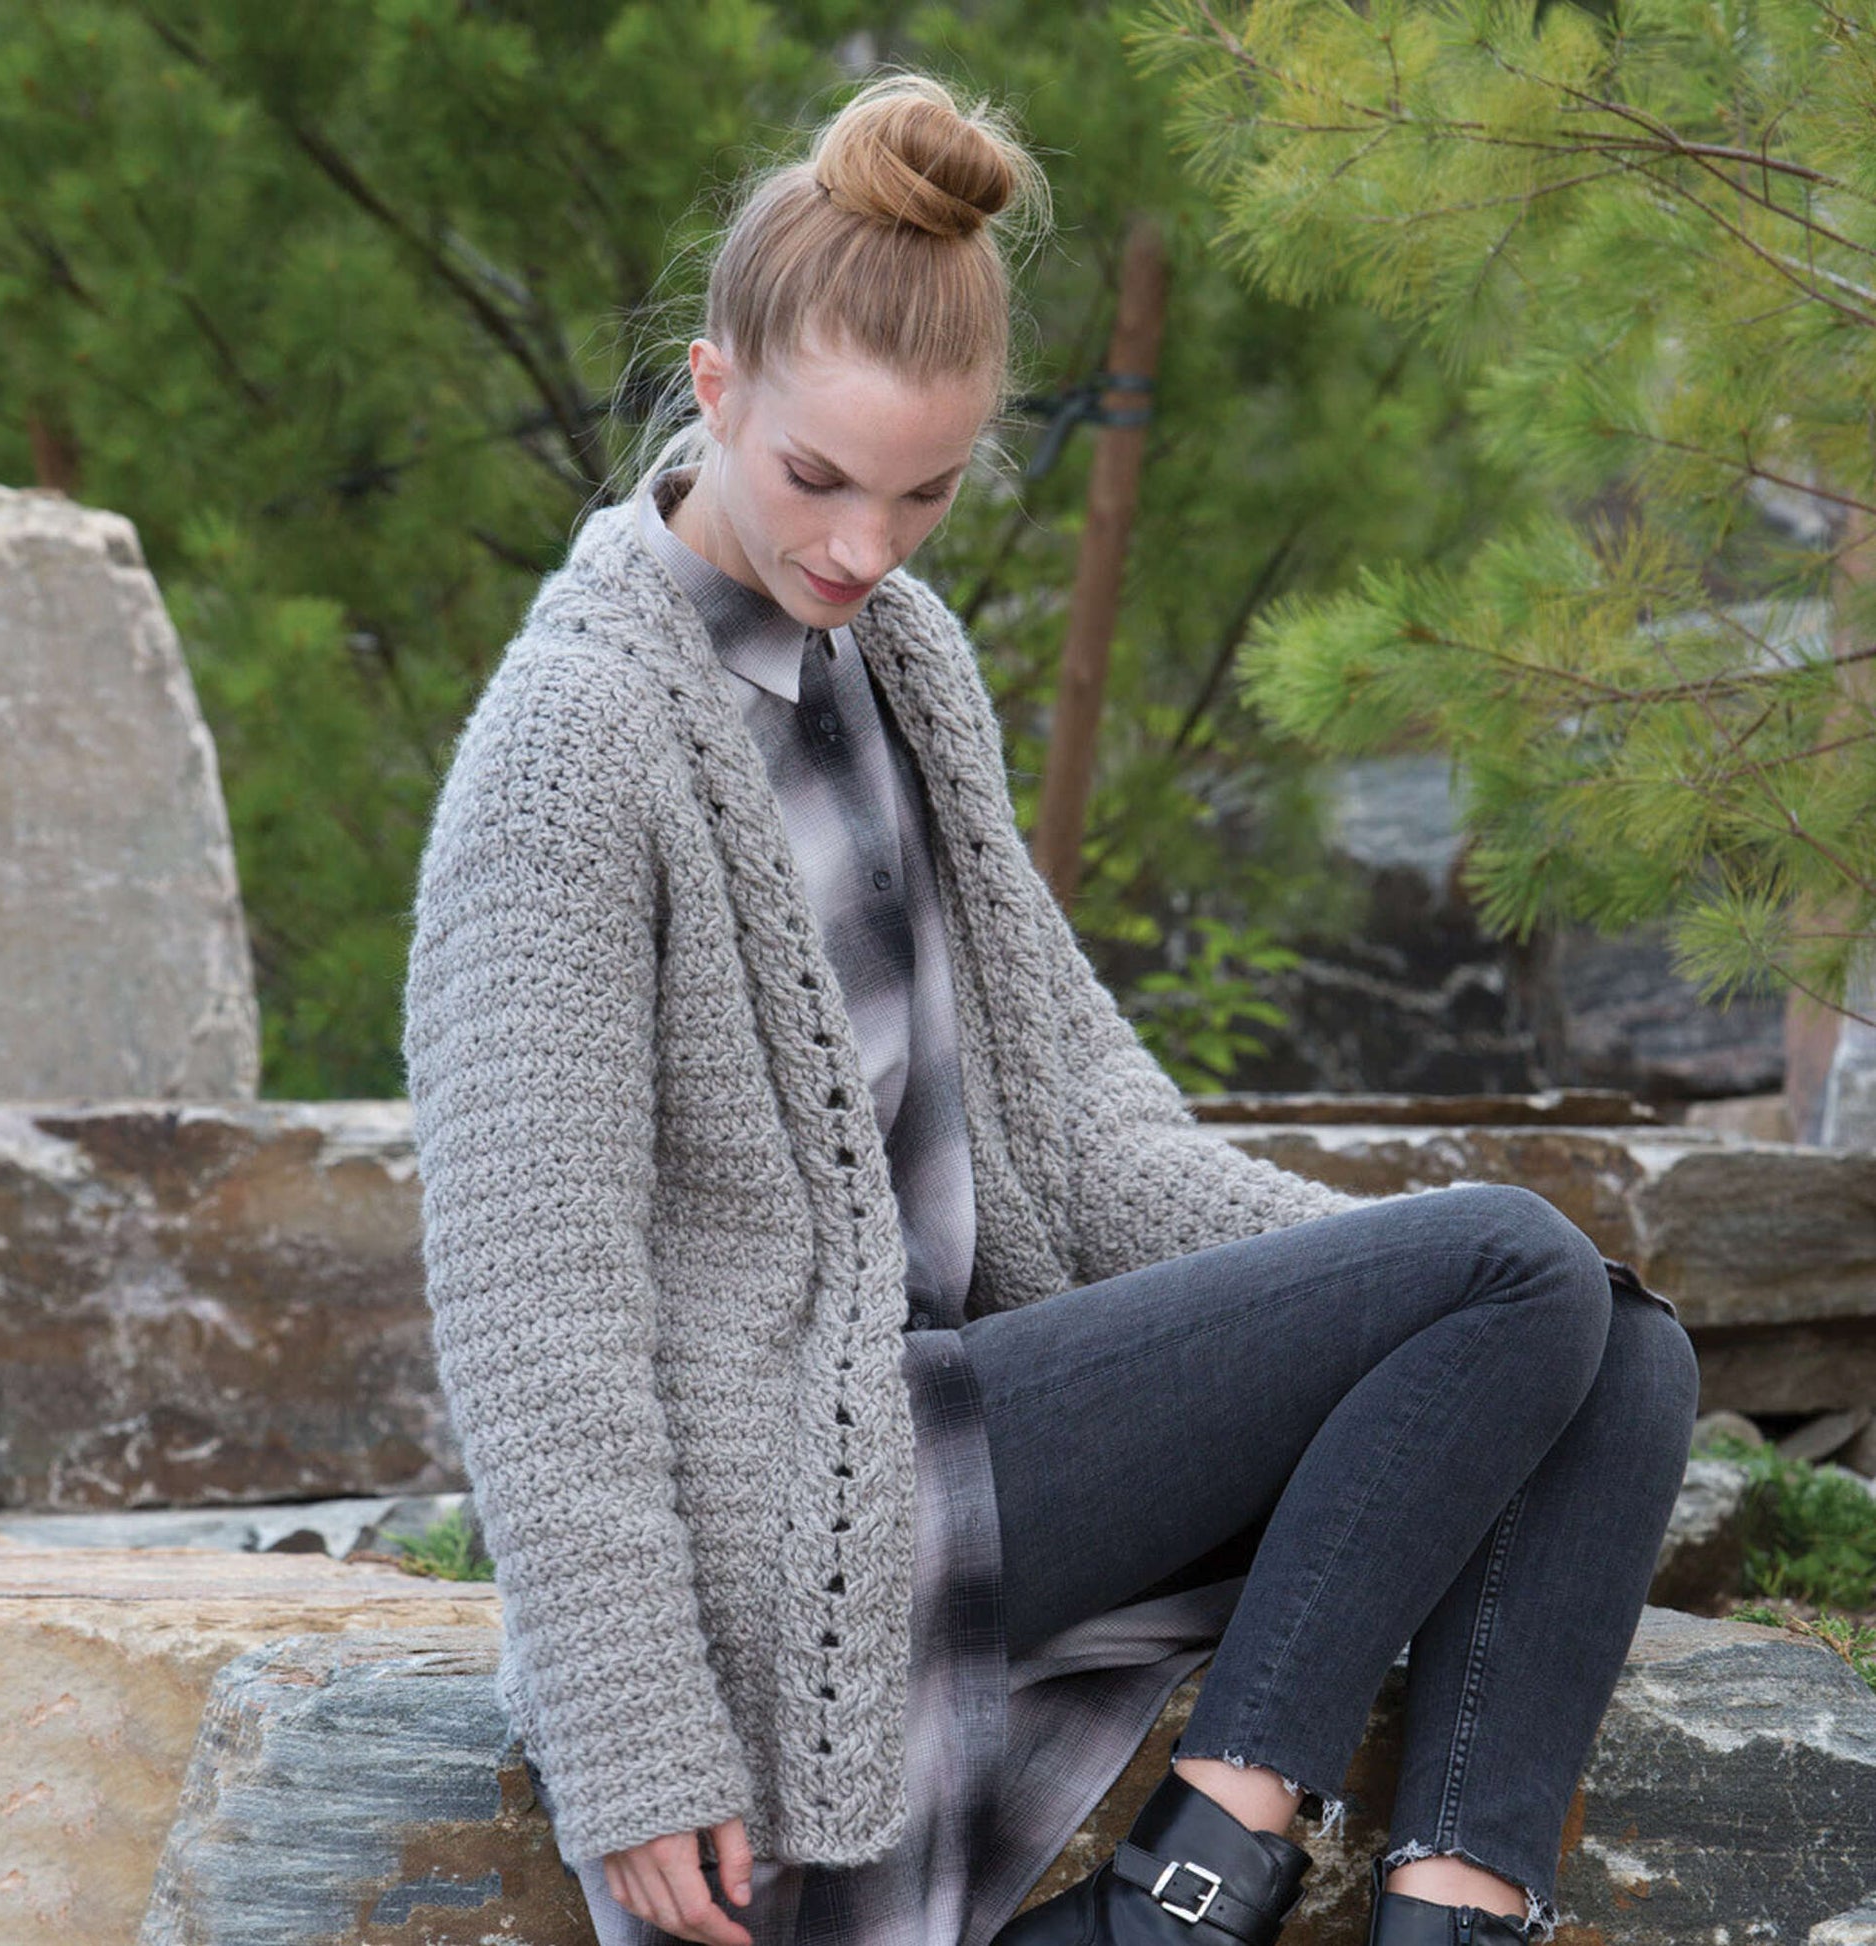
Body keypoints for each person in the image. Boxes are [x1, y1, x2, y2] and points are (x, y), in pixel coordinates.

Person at [400, 67, 1702, 1946]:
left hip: (985, 1412)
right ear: (713, 390)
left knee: (1613, 1337)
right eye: (818, 479)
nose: (863, 546)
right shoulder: (569, 746)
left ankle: (1442, 1918)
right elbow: (533, 1294)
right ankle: (1200, 1872)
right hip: (811, 1490)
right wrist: (631, 1726)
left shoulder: (900, 661)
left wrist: (1371, 1305)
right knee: (1516, 1270)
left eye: (922, 493)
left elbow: (1080, 1131)